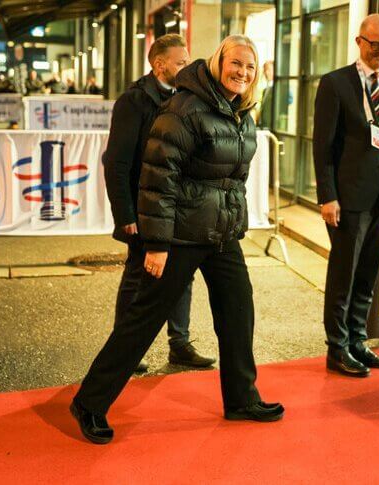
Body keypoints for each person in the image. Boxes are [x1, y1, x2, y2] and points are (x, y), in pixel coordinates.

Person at [70, 34, 284, 445]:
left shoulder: (242, 112)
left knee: (239, 312)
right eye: (236, 63)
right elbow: (157, 176)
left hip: (221, 235)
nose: (242, 71)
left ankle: (241, 398)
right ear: (220, 61)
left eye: (250, 67)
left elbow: (234, 181)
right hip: (181, 235)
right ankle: (89, 402)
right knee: (143, 320)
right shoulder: (186, 107)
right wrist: (156, 244)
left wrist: (235, 223)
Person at [102, 33, 213, 373]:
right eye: (181, 62)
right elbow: (117, 164)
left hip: (178, 205)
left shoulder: (187, 98)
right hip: (143, 207)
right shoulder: (133, 102)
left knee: (182, 274)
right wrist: (126, 216)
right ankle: (125, 349)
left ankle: (179, 344)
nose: (187, 67)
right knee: (138, 276)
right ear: (159, 64)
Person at [313, 14, 379, 378]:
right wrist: (328, 196)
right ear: (359, 42)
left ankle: (358, 340)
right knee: (344, 275)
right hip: (349, 199)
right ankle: (337, 348)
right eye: (376, 45)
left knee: (367, 274)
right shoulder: (336, 84)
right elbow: (322, 147)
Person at [255, 61, 274, 129]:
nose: (266, 73)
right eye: (265, 70)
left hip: (272, 126)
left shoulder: (278, 88)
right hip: (263, 126)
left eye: (269, 70)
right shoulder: (265, 89)